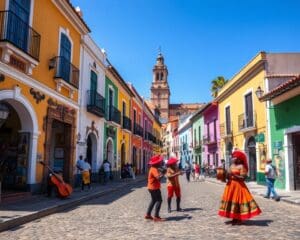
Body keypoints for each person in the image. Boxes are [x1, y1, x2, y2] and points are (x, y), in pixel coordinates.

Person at [218, 150, 261, 225]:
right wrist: (224, 174)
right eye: (233, 157)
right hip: (231, 186)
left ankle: (239, 219)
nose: (233, 158)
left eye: (234, 157)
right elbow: (228, 176)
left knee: (238, 201)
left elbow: (243, 178)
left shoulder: (241, 167)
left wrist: (234, 175)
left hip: (239, 186)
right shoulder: (231, 166)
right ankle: (234, 218)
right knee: (232, 202)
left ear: (238, 159)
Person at [145, 155, 165, 222]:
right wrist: (163, 173)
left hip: (151, 187)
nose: (160, 163)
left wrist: (161, 172)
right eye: (159, 162)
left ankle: (148, 214)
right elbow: (158, 178)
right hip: (154, 188)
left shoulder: (154, 168)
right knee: (159, 200)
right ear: (156, 163)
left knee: (153, 200)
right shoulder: (154, 169)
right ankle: (156, 216)